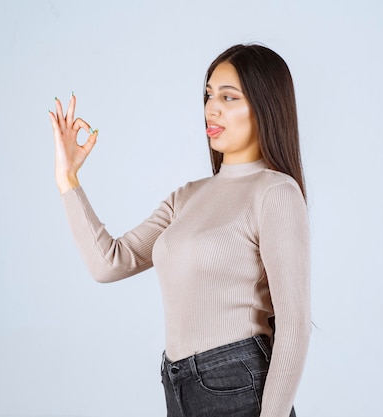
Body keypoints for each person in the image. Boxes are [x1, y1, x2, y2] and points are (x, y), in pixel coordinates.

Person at [48, 44, 311, 417]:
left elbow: (294, 325)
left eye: (228, 96)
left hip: (237, 384)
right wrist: (67, 178)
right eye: (208, 95)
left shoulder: (275, 192)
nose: (211, 108)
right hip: (178, 384)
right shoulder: (187, 196)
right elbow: (108, 263)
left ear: (265, 105)